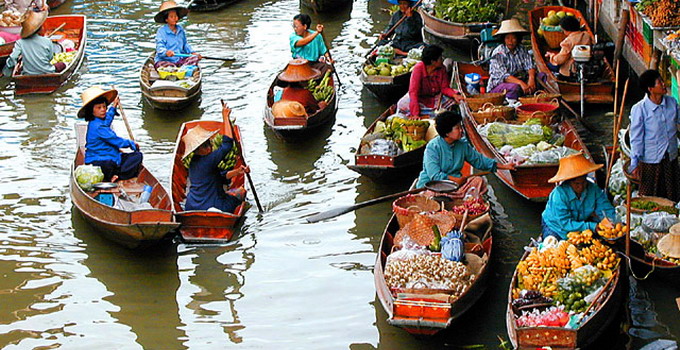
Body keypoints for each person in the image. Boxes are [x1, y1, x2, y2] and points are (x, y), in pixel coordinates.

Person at [416, 110, 516, 194]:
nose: (461, 130)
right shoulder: (433, 147)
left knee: (479, 181)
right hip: (432, 186)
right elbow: (434, 175)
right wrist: (455, 180)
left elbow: (479, 160)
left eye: (461, 127)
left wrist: (504, 166)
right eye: (457, 128)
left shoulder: (462, 145)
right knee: (431, 195)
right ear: (447, 132)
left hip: (455, 186)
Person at [182, 105, 248, 213]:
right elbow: (227, 145)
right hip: (214, 206)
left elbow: (221, 176)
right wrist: (225, 117)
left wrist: (238, 171)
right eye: (205, 146)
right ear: (197, 150)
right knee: (241, 192)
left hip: (191, 206)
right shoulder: (209, 160)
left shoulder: (194, 162)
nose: (210, 147)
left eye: (209, 144)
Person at [629, 69, 680, 201]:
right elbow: (636, 138)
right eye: (660, 82)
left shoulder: (672, 103)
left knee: (672, 196)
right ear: (650, 89)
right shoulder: (639, 109)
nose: (664, 84)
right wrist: (635, 163)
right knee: (650, 198)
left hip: (670, 157)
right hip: (651, 161)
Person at [542, 152, 616, 240]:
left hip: (579, 223)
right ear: (569, 182)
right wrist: (592, 226)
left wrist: (610, 220)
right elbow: (565, 223)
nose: (581, 187)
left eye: (583, 182)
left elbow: (605, 207)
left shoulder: (593, 189)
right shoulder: (559, 195)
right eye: (577, 183)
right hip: (556, 227)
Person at [79, 87, 142, 182]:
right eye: (99, 108)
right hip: (98, 159)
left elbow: (107, 120)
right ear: (92, 110)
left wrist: (114, 107)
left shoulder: (99, 121)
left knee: (137, 156)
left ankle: (115, 173)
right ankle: (117, 175)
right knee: (109, 165)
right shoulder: (98, 127)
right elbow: (116, 140)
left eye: (104, 107)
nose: (103, 110)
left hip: (111, 156)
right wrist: (131, 144)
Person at [397, 45, 464, 118]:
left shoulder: (442, 69)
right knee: (402, 104)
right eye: (440, 58)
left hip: (435, 97)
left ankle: (430, 113)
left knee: (453, 101)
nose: (442, 60)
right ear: (433, 61)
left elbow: (444, 88)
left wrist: (454, 95)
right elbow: (413, 92)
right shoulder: (418, 69)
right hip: (420, 97)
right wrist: (415, 113)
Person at [1, 7, 66, 77]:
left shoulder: (20, 43)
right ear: (40, 29)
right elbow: (50, 58)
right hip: (48, 71)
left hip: (27, 74)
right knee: (62, 64)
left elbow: (13, 58)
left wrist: (6, 71)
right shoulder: (47, 41)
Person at [487, 19, 543, 101]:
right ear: (504, 39)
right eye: (507, 38)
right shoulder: (498, 53)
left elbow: (530, 65)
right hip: (500, 86)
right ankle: (512, 105)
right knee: (514, 87)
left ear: (517, 38)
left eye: (513, 38)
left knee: (541, 77)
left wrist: (531, 79)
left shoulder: (522, 49)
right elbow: (504, 76)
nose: (510, 41)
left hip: (521, 81)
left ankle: (537, 99)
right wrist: (521, 83)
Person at [154, 0, 201, 69]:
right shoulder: (161, 31)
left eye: (176, 16)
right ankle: (177, 70)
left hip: (179, 60)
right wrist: (166, 52)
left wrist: (193, 53)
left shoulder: (180, 29)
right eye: (171, 17)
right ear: (166, 19)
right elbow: (159, 48)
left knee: (194, 58)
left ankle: (180, 70)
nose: (175, 19)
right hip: (165, 60)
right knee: (165, 66)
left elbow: (185, 44)